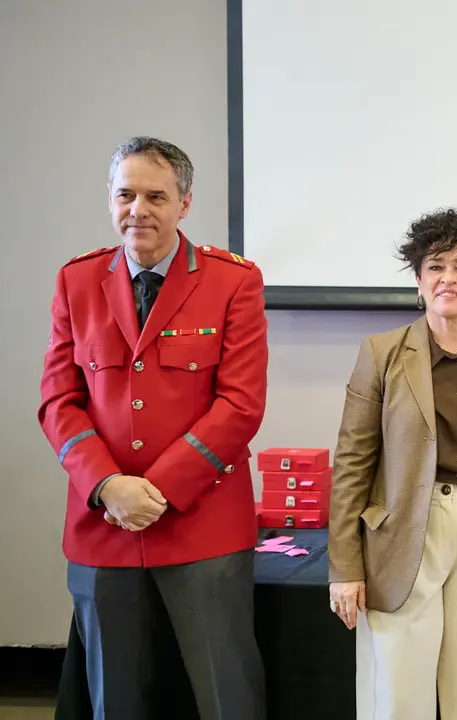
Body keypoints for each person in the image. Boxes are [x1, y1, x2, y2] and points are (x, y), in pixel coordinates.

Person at [37, 136, 269, 719]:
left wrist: (158, 490)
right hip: (103, 525)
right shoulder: (77, 281)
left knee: (226, 695)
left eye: (155, 196)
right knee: (112, 699)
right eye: (125, 194)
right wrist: (109, 486)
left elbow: (240, 404)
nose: (138, 209)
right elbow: (58, 401)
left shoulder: (232, 281)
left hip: (203, 527)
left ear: (184, 203)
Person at [327, 208, 457, 720]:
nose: (449, 278)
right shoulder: (381, 353)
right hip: (401, 531)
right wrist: (345, 567)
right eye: (435, 266)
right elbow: (352, 462)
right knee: (397, 694)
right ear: (418, 281)